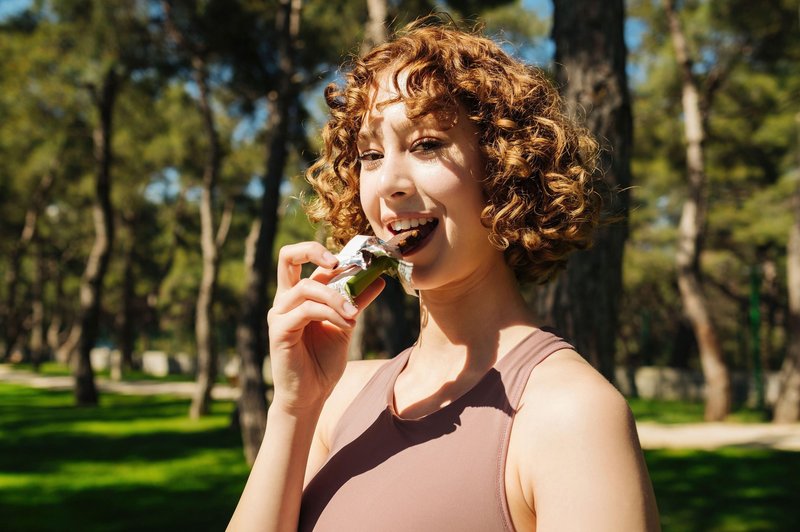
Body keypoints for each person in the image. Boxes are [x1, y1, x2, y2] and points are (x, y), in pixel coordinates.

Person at [229, 15, 660, 532]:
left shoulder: (571, 415)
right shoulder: (339, 395)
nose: (388, 182)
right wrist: (294, 409)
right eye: (369, 154)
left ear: (505, 170)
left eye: (427, 144)